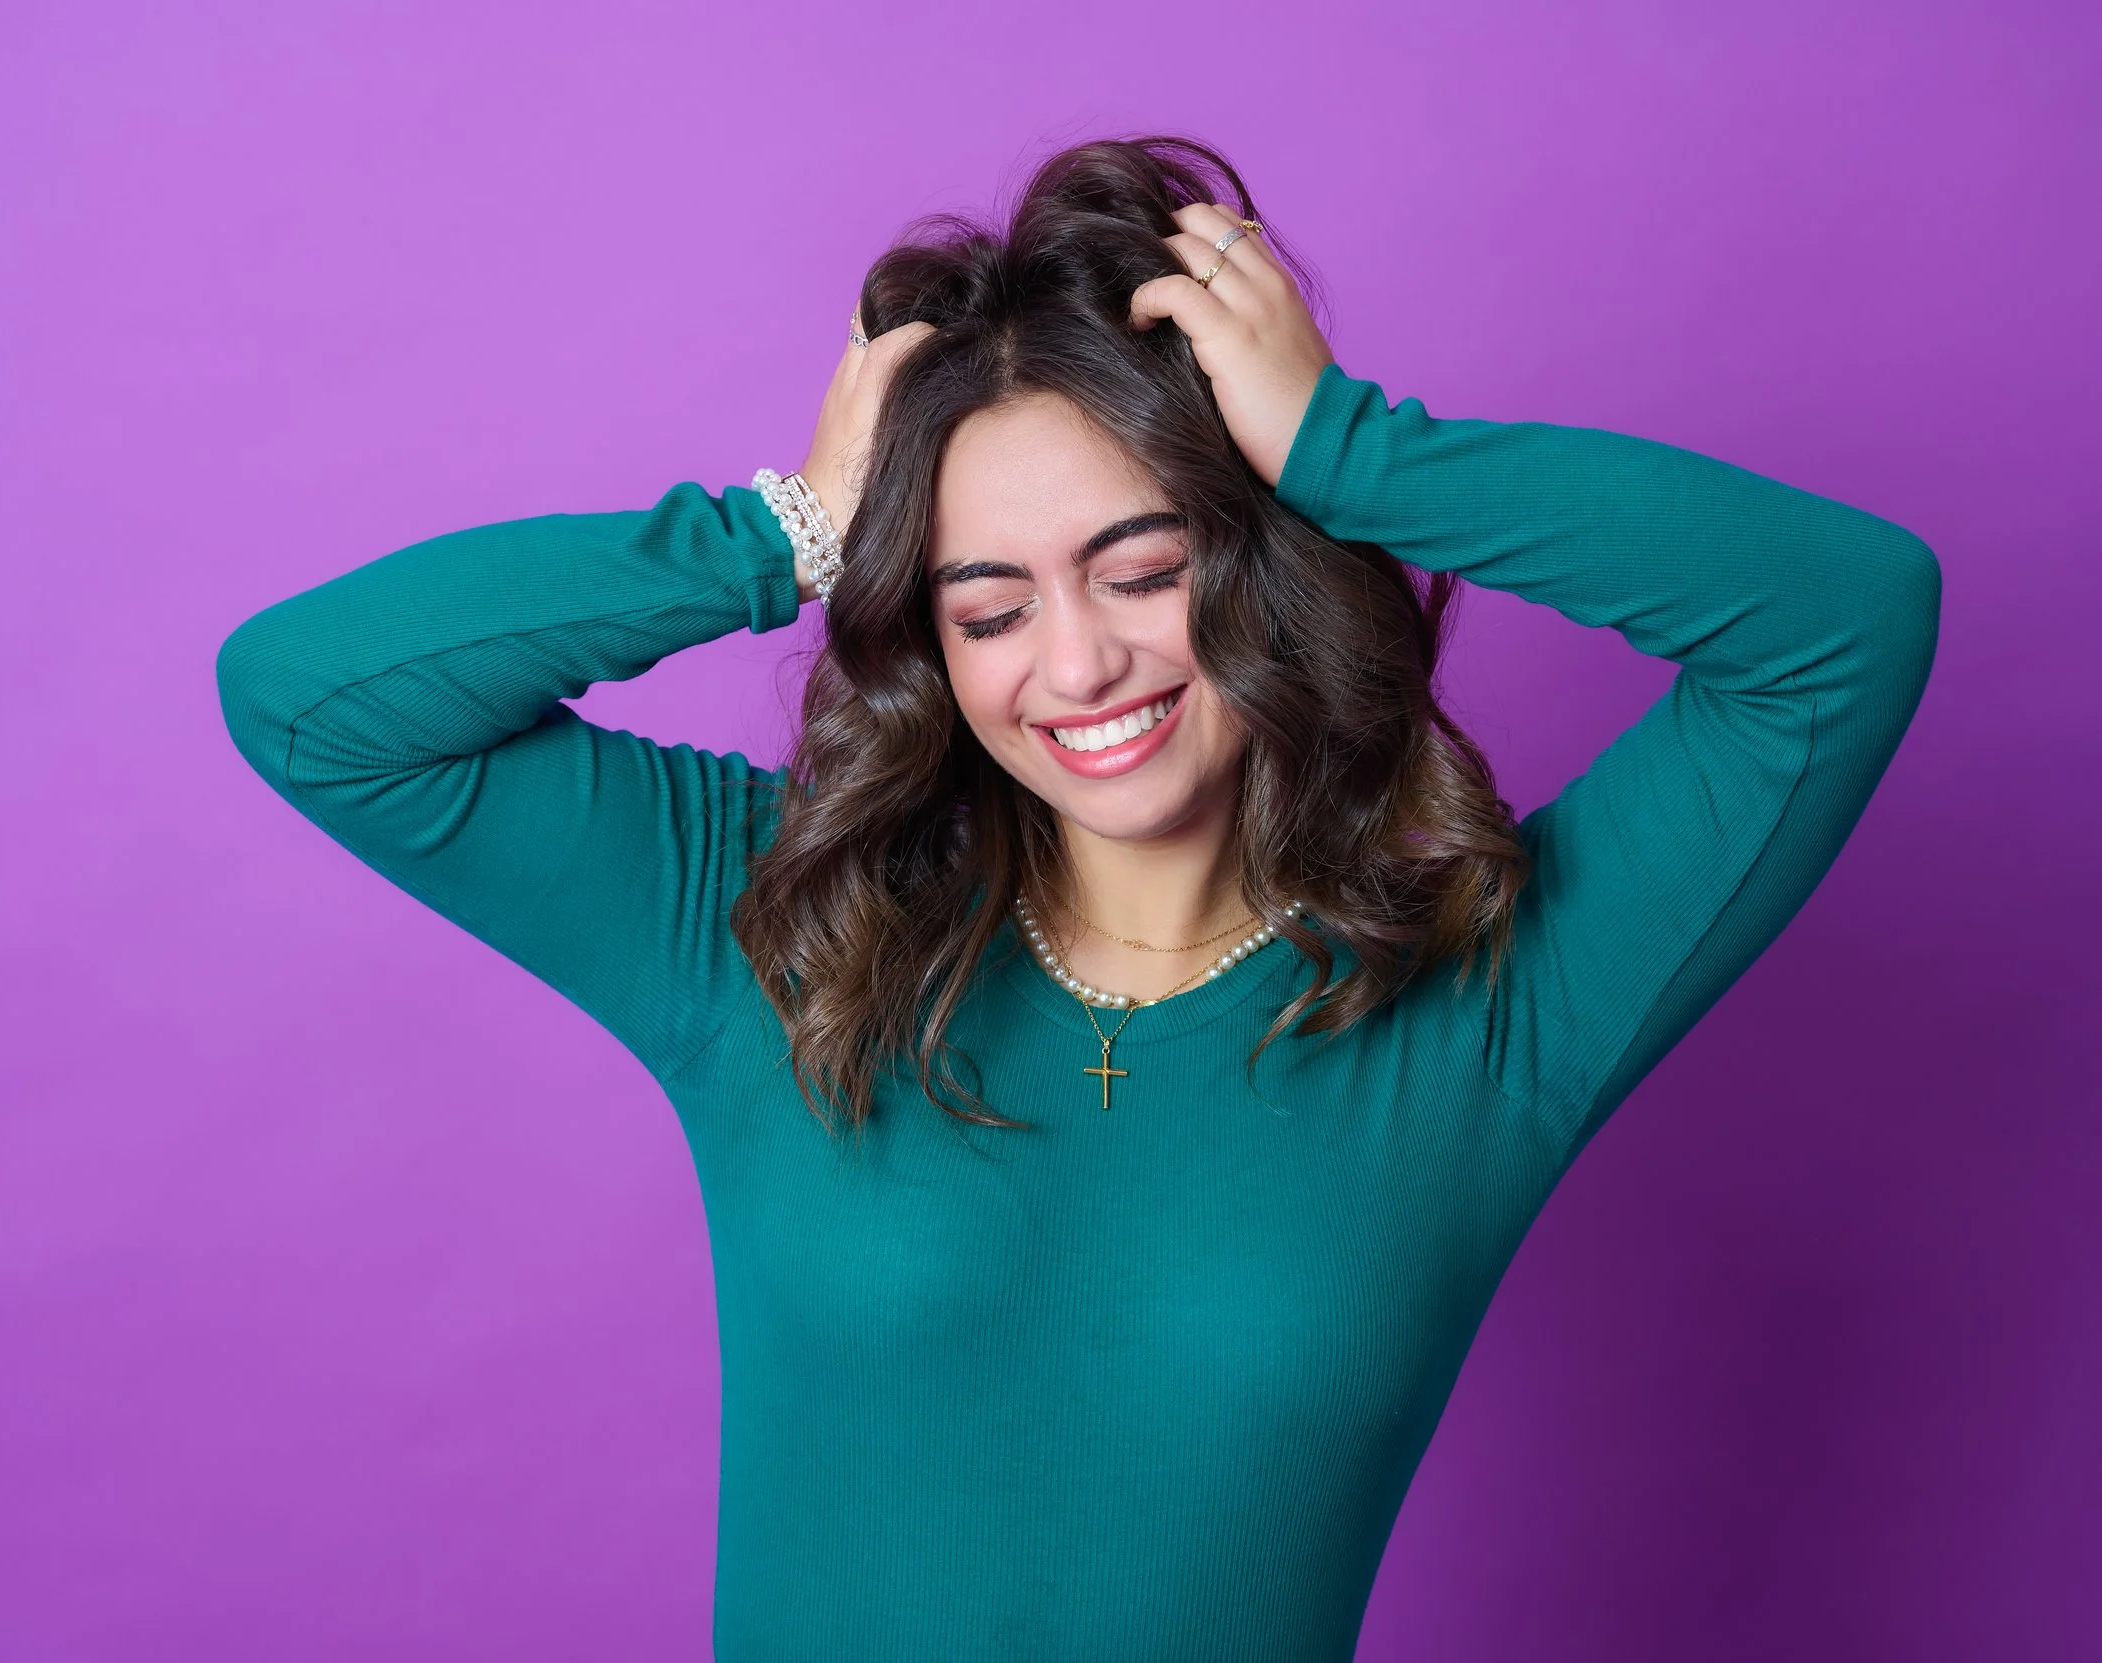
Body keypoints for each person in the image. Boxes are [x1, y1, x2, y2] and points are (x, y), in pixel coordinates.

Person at [215, 135, 1938, 1661]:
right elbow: (309, 700)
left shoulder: (1492, 995)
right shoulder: (771, 925)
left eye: (1143, 567)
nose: (1079, 660)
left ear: (1252, 559)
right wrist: (785, 531)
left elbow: (1845, 627)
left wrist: (1353, 450)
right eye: (989, 606)